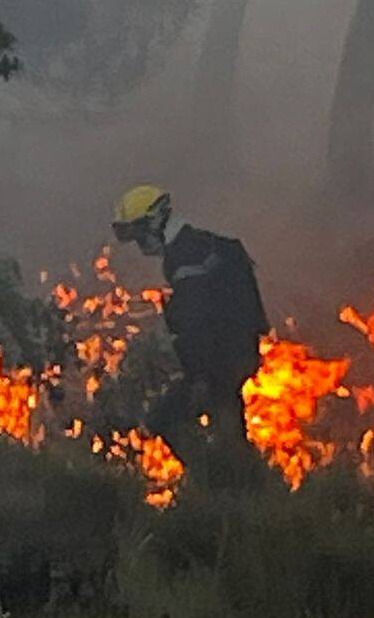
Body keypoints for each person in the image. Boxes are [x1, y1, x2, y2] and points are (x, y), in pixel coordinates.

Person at [112, 185, 267, 480]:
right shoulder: (202, 246)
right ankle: (246, 486)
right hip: (235, 354)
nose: (141, 246)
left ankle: (213, 481)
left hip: (221, 360)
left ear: (154, 222)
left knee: (164, 418)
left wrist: (197, 377)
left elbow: (197, 325)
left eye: (140, 234)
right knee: (230, 430)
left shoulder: (185, 256)